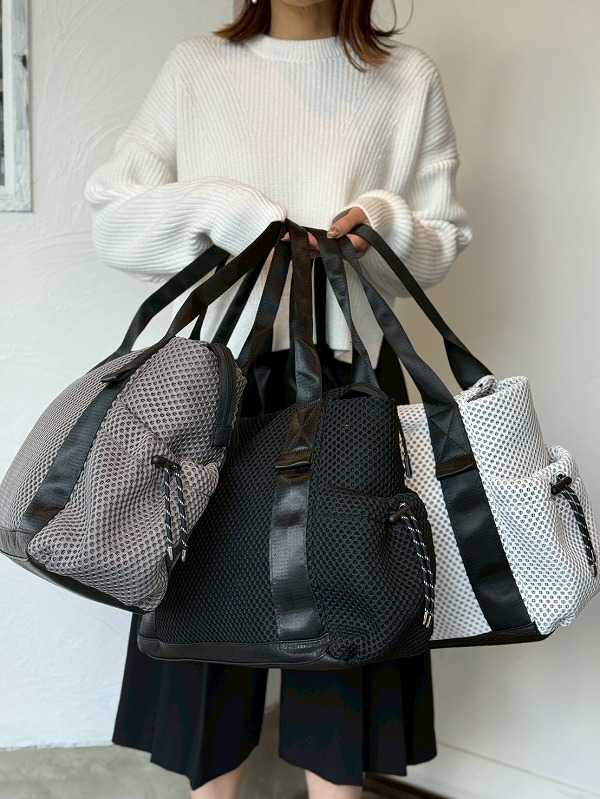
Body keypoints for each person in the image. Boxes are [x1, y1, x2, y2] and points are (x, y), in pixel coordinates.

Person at [85, 1, 472, 797]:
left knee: (346, 619)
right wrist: (220, 207)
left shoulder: (406, 79)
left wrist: (383, 221)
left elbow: (441, 239)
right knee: (201, 629)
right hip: (213, 385)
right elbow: (113, 219)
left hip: (344, 385)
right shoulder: (198, 67)